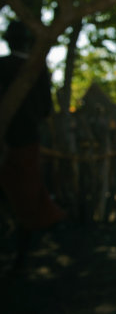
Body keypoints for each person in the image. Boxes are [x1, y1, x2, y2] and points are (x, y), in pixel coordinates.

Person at [0, 21, 66, 268]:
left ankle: (20, 255)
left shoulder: (4, 66)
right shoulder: (35, 69)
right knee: (26, 193)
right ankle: (21, 252)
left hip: (17, 140)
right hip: (25, 138)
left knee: (24, 194)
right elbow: (45, 108)